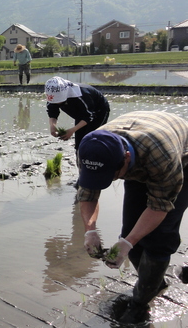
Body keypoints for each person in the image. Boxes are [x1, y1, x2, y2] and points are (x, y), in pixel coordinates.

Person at [77, 111, 188, 324]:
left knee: (160, 237)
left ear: (126, 159)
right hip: (139, 157)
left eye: (112, 176)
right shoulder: (92, 149)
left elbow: (159, 206)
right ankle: (156, 282)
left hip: (180, 160)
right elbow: (87, 193)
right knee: (130, 230)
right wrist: (90, 230)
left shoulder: (161, 156)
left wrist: (127, 243)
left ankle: (139, 304)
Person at [45, 76, 110, 150]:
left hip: (98, 111)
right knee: (79, 143)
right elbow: (52, 112)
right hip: (80, 114)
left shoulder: (80, 95)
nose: (57, 103)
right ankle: (79, 159)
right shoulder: (52, 96)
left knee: (91, 138)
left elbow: (88, 116)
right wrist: (52, 126)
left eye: (58, 100)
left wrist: (72, 130)